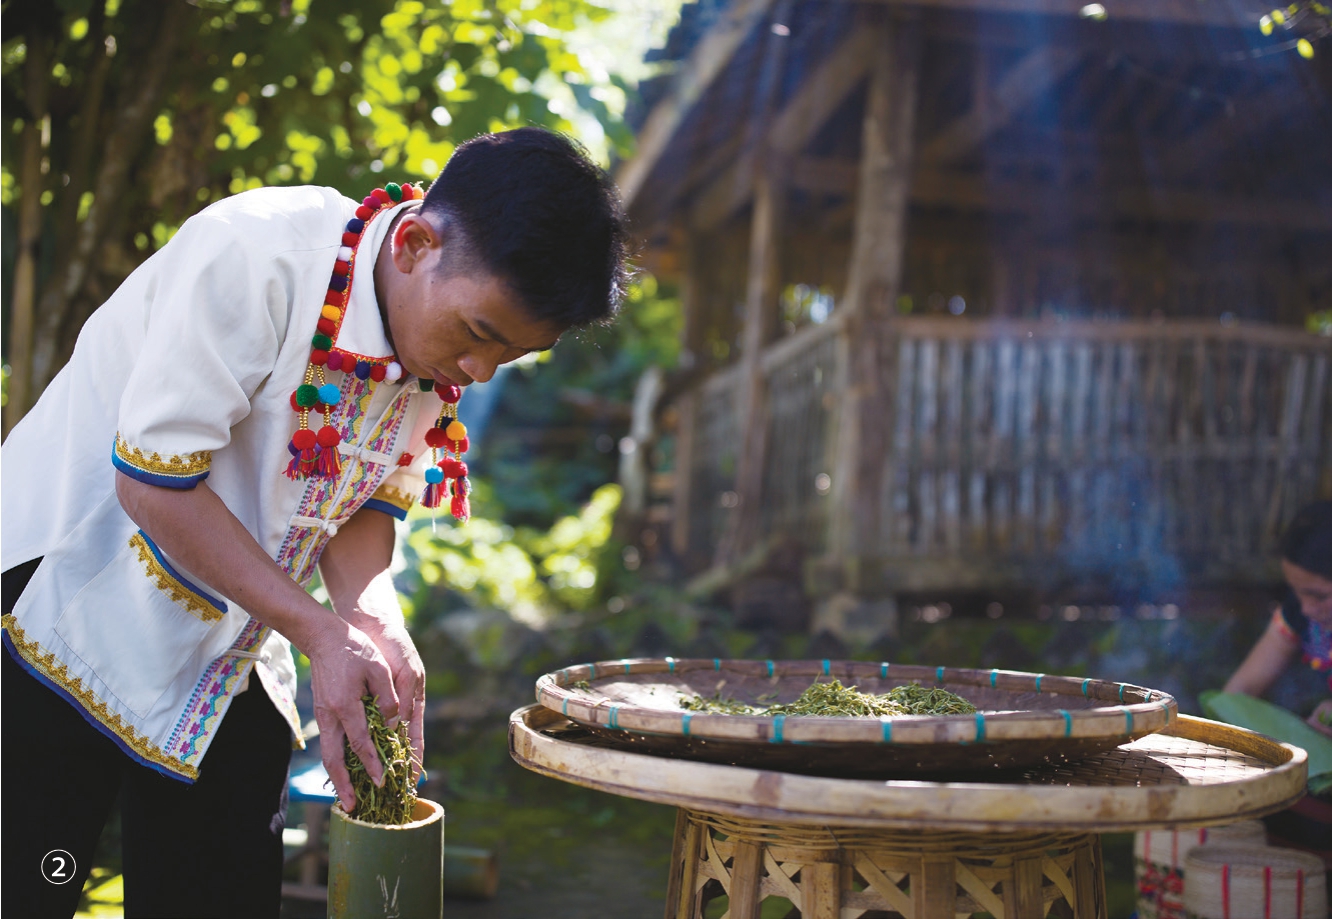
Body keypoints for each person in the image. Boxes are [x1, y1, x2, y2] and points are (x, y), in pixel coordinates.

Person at [1, 126, 629, 919]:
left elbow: (362, 501)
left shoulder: (435, 346)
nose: (477, 373)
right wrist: (320, 631)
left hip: (233, 641)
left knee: (217, 893)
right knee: (31, 883)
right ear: (415, 243)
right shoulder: (254, 257)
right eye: (480, 336)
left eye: (511, 357)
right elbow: (156, 486)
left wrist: (370, 618)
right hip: (66, 597)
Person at [1224, 500, 1332, 735]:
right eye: (1297, 591)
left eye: (1319, 596)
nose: (1306, 609)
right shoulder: (1297, 612)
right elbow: (1239, 693)